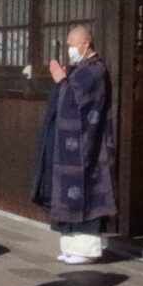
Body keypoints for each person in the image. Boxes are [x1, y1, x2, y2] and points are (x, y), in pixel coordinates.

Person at [32, 25, 116, 265]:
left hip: (87, 146)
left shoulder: (96, 70)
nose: (70, 49)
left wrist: (61, 80)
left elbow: (75, 100)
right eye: (68, 45)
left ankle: (87, 250)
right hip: (70, 146)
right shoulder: (81, 69)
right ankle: (70, 246)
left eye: (72, 45)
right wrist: (63, 80)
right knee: (67, 195)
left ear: (85, 44)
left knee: (86, 195)